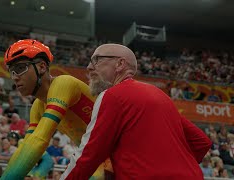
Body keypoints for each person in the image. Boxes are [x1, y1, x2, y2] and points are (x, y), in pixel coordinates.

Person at [61, 43, 212, 179]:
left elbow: (88, 155)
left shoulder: (112, 96)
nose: (89, 67)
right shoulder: (162, 96)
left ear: (120, 64)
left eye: (96, 60)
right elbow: (201, 142)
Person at [0, 39, 112, 179]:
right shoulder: (37, 106)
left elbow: (39, 141)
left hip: (114, 156)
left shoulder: (63, 83)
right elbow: (26, 146)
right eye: (12, 71)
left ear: (42, 67)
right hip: (94, 159)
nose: (15, 77)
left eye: (20, 68)